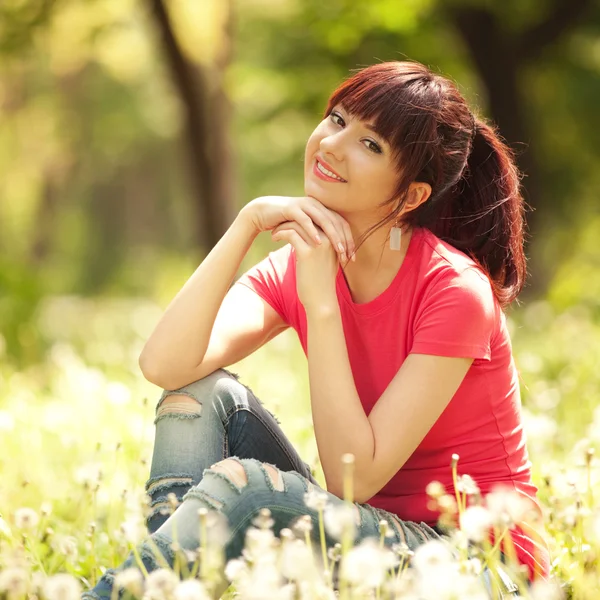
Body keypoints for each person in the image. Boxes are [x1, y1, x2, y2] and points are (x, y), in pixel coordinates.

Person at [83, 60, 550, 599]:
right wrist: (249, 222)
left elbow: (354, 481)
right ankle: (167, 586)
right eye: (337, 119)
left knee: (247, 495)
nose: (332, 144)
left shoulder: (455, 290)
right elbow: (165, 366)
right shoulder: (299, 263)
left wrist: (321, 304)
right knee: (200, 392)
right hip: (365, 538)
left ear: (412, 196)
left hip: (478, 564)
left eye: (370, 145)